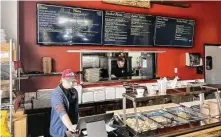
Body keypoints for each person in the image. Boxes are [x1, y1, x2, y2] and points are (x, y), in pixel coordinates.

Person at [50, 69, 79, 137]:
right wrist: (70, 126)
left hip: (72, 128)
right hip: (59, 131)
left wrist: (78, 123)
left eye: (73, 81)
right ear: (62, 80)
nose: (71, 83)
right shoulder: (56, 94)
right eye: (69, 81)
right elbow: (61, 112)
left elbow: (76, 109)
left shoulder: (74, 91)